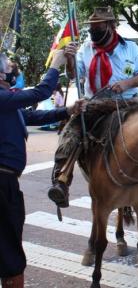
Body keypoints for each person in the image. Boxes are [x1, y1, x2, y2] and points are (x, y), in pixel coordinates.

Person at [48, 6, 138, 208]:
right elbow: (74, 76)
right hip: (95, 103)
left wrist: (126, 84)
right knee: (71, 132)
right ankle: (61, 181)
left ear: (111, 26)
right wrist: (70, 59)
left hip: (128, 102)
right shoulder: (86, 48)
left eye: (98, 27)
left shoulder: (131, 48)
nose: (93, 32)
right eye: (92, 28)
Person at [0, 50, 86, 287]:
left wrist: (67, 111)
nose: (12, 72)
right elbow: (40, 93)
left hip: (8, 182)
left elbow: (31, 116)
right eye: (8, 69)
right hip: (2, 184)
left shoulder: (7, 102)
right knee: (9, 252)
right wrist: (56, 65)